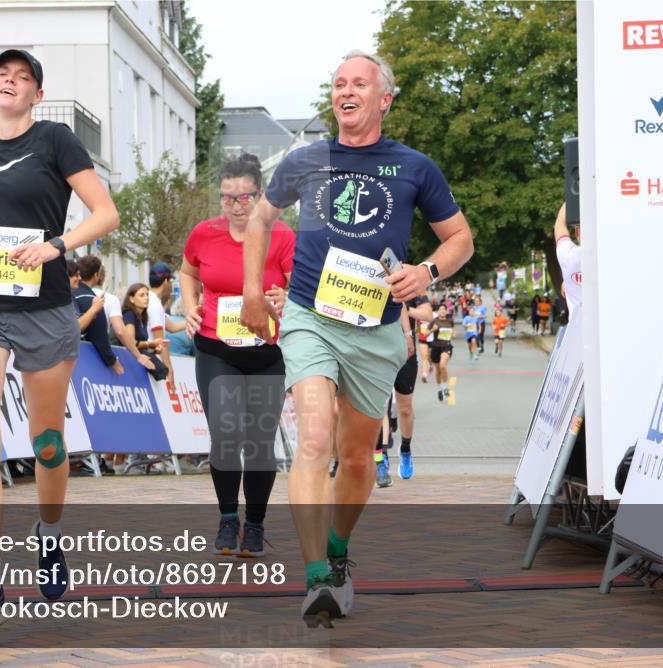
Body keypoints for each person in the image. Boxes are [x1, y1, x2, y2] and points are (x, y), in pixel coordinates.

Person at [239, 50, 473, 625]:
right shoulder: (306, 159)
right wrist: (252, 291)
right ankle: (317, 575)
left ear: (384, 99)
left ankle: (338, 549)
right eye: (339, 83)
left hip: (376, 328)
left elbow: (460, 239)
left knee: (357, 457)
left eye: (359, 84)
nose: (346, 91)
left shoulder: (414, 166)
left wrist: (426, 272)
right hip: (310, 316)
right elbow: (261, 219)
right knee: (315, 439)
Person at [0, 48, 119, 633]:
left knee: (48, 445)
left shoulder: (55, 138)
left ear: (37, 93)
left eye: (23, 76)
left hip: (45, 307)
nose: (10, 81)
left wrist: (56, 245)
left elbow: (105, 213)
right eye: (2, 74)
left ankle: (49, 533)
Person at [180, 153, 294, 557]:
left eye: (244, 198)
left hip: (267, 352)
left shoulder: (282, 235)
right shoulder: (205, 233)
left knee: (259, 441)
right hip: (217, 348)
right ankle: (228, 519)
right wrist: (189, 306)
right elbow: (188, 271)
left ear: (260, 195)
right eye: (227, 198)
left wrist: (286, 297)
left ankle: (256, 525)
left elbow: (299, 285)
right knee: (226, 434)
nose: (236, 207)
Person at [383, 292, 433, 483]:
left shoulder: (412, 286)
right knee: (380, 407)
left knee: (404, 408)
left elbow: (427, 315)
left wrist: (404, 309)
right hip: (381, 352)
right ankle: (381, 453)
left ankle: (405, 449)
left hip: (406, 353)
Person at [73, 255, 123, 374]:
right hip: (83, 364)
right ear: (96, 275)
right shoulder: (94, 301)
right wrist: (113, 361)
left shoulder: (66, 294)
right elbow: (99, 336)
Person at [148, 261, 186, 384]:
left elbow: (172, 327)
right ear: (165, 281)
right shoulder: (155, 305)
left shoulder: (149, 299)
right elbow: (161, 341)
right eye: (170, 281)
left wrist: (195, 319)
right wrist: (169, 369)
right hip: (149, 358)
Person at [554, 202, 582, 319]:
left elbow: (559, 224)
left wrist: (574, 195)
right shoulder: (619, 258)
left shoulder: (569, 256)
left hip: (579, 329)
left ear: (577, 232)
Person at [429, 304, 455, 402]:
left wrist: (453, 334)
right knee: (438, 371)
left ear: (447, 311)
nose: (442, 311)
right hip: (436, 347)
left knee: (442, 366)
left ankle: (445, 388)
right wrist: (433, 329)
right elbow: (425, 333)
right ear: (438, 311)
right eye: (440, 309)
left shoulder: (450, 321)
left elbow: (454, 334)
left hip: (447, 346)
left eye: (444, 309)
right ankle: (439, 388)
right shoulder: (434, 321)